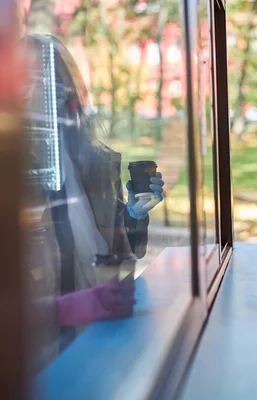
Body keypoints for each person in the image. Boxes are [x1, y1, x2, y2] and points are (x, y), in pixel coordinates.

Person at [22, 34, 161, 368]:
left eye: (55, 83)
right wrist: (65, 309)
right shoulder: (15, 168)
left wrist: (134, 215)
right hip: (36, 349)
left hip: (100, 332)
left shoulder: (94, 161)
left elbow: (127, 251)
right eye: (31, 82)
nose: (44, 94)